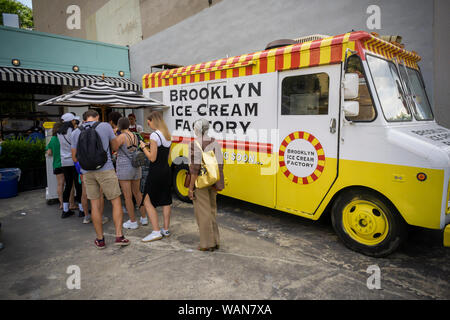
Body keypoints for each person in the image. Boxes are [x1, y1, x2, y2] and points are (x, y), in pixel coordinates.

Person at [71, 109, 129, 249]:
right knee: (115, 202)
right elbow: (115, 147)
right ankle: (119, 236)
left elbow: (74, 158)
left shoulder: (75, 132)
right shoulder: (105, 126)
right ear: (97, 117)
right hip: (106, 169)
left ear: (84, 119)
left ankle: (100, 240)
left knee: (95, 205)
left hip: (87, 173)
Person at [188, 119, 225, 251]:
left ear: (197, 130)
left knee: (202, 213)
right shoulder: (215, 142)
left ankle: (206, 244)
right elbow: (220, 163)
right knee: (211, 211)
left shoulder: (194, 144)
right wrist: (217, 180)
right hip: (213, 180)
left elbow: (194, 169)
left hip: (201, 183)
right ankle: (215, 241)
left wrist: (191, 188)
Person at [139, 111, 172, 242]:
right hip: (166, 170)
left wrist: (143, 147)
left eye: (149, 122)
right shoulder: (168, 135)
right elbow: (167, 156)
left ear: (154, 121)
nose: (148, 124)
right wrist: (150, 146)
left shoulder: (154, 135)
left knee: (147, 199)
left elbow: (152, 158)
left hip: (156, 171)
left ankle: (156, 231)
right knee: (166, 200)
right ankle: (166, 229)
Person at [114, 117, 148, 229]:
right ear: (129, 125)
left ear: (119, 126)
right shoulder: (135, 135)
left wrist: (114, 135)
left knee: (128, 197)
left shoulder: (121, 137)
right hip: (136, 166)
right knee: (137, 193)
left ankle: (133, 221)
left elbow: (113, 148)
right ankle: (144, 218)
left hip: (124, 167)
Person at [58, 113, 84, 218]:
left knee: (68, 185)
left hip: (64, 161)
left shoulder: (59, 132)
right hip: (74, 161)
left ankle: (65, 210)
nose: (75, 122)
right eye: (73, 120)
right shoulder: (73, 131)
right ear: (70, 121)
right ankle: (82, 210)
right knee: (78, 186)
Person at [46, 122, 76, 210]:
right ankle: (71, 204)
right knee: (70, 185)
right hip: (67, 163)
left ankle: (62, 204)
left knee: (60, 184)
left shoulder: (52, 139)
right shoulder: (63, 137)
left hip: (57, 164)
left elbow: (49, 152)